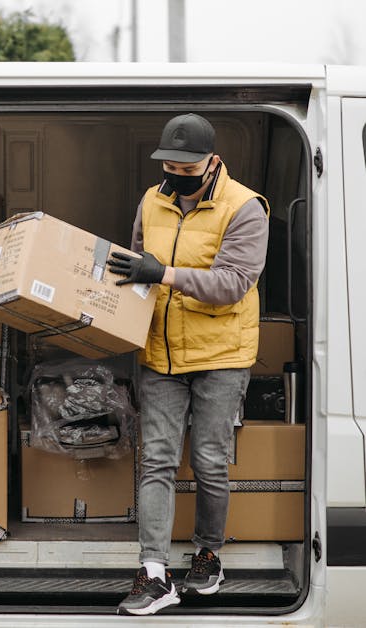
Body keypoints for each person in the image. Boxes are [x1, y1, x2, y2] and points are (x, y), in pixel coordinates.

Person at [106, 113, 270, 616]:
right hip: (160, 353)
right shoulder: (151, 201)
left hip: (221, 355)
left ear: (212, 162)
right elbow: (137, 267)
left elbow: (233, 283)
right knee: (156, 459)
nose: (176, 176)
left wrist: (166, 274)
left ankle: (208, 553)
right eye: (169, 167)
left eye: (186, 168)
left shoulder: (245, 207)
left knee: (208, 460)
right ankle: (154, 574)